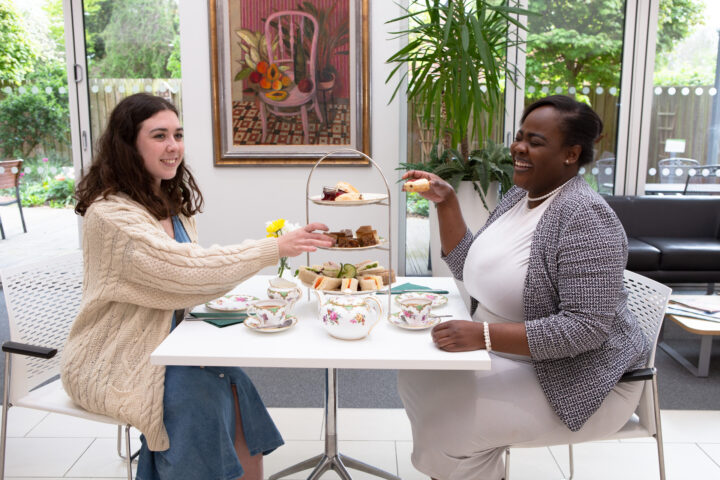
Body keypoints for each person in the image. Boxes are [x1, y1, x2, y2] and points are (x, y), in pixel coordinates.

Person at [60, 93, 333, 480]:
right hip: (116, 356)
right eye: (159, 136)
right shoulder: (112, 214)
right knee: (199, 398)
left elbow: (191, 272)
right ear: (128, 144)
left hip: (173, 342)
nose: (174, 147)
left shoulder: (166, 202)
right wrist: (274, 247)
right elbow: (184, 273)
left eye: (178, 134)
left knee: (234, 385)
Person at [398, 95, 650, 480]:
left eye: (535, 141)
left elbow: (587, 329)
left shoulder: (585, 217)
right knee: (416, 375)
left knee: (447, 425)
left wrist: (482, 335)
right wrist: (446, 202)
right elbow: (470, 266)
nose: (518, 147)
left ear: (571, 154)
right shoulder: (520, 196)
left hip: (580, 381)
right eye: (519, 137)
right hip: (515, 357)